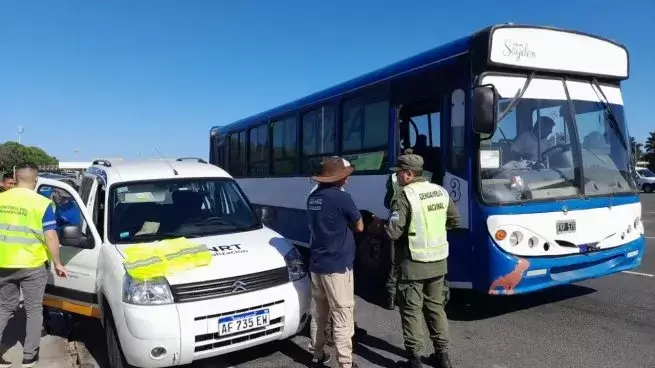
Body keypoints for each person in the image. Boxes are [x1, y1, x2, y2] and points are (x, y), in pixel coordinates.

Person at [369, 152, 460, 368]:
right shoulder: (440, 191)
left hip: (413, 263)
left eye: (399, 173)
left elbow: (392, 232)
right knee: (436, 308)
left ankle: (414, 360)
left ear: (409, 174)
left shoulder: (404, 196)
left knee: (411, 310)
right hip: (438, 262)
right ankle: (443, 356)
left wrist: (378, 226)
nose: (397, 177)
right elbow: (455, 221)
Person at [0, 164, 69, 368]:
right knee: (33, 310)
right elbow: (50, 235)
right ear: (36, 180)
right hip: (32, 265)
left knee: (4, 308)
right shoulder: (42, 203)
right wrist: (58, 262)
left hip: (3, 264)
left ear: (15, 177)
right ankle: (29, 357)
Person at [307, 157, 363, 368]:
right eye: (345, 176)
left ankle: (317, 354)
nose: (347, 180)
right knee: (342, 314)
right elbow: (359, 226)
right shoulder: (342, 198)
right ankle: (345, 363)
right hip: (337, 266)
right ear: (337, 179)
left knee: (319, 313)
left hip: (317, 263)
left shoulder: (313, 197)